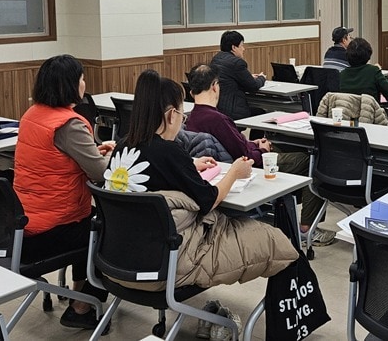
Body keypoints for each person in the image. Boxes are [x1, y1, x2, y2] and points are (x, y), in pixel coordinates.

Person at [111, 70, 298, 339]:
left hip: (119, 261)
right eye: (181, 114)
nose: (183, 120)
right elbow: (209, 200)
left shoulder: (123, 147)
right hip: (167, 263)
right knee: (279, 244)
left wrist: (190, 166)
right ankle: (285, 323)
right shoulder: (169, 150)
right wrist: (234, 173)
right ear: (170, 114)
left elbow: (156, 175)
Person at [13, 55, 115, 331]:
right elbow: (101, 174)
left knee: (90, 221)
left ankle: (78, 292)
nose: (84, 83)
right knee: (110, 230)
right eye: (81, 78)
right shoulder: (70, 124)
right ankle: (82, 307)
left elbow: (55, 160)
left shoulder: (31, 115)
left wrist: (93, 151)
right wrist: (105, 159)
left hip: (22, 221)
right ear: (71, 84)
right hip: (51, 227)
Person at [184, 64, 335, 246]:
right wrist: (262, 150)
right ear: (215, 86)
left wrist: (253, 143)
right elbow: (244, 155)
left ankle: (288, 211)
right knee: (311, 161)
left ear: (192, 92)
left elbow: (235, 145)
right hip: (248, 167)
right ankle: (306, 228)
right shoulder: (217, 119)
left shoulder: (192, 118)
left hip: (226, 167)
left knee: (282, 150)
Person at [210, 30, 266, 121]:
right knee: (261, 113)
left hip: (217, 107)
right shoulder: (237, 63)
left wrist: (248, 76)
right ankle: (257, 136)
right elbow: (253, 86)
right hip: (233, 110)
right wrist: (262, 78)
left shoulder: (216, 58)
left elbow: (229, 77)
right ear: (234, 47)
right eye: (242, 45)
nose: (243, 49)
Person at [339, 37, 388, 103]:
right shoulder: (373, 71)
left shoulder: (342, 74)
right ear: (368, 54)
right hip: (369, 112)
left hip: (347, 112)